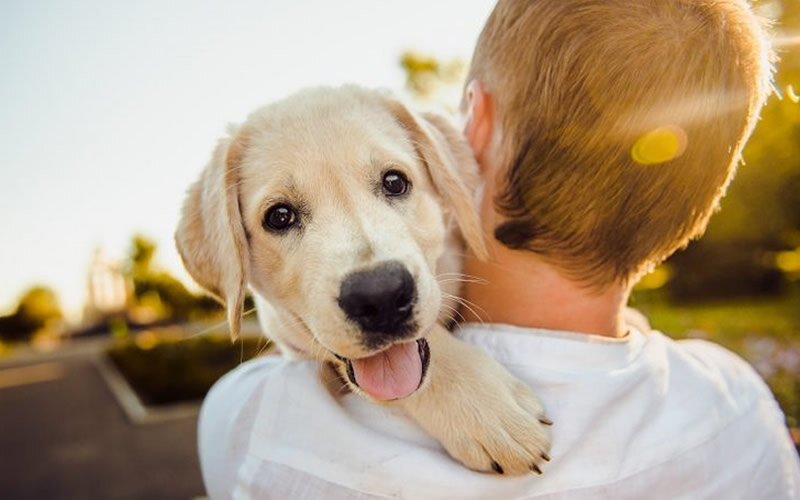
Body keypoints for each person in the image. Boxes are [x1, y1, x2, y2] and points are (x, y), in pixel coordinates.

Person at [198, 0, 800, 498]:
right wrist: (438, 374)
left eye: (394, 183)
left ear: (472, 127)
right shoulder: (741, 406)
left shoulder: (255, 428)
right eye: (282, 216)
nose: (372, 274)